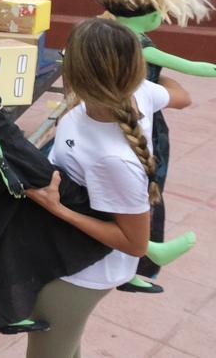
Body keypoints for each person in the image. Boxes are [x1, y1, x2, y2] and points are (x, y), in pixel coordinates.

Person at [0, 0, 194, 345]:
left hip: (82, 264)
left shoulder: (108, 149)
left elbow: (130, 240)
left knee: (17, 211)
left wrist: (49, 201)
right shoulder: (92, 114)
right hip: (35, 195)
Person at [24, 18, 194, 357]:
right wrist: (155, 77)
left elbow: (135, 243)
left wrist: (58, 208)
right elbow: (183, 97)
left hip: (80, 273)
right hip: (65, 256)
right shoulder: (139, 92)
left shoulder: (112, 159)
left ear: (74, 72)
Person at [85, 0, 215, 291]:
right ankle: (140, 260)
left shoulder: (103, 30)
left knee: (111, 191)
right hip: (139, 123)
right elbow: (193, 67)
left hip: (106, 118)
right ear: (148, 14)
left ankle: (126, 261)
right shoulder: (137, 43)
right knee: (144, 193)